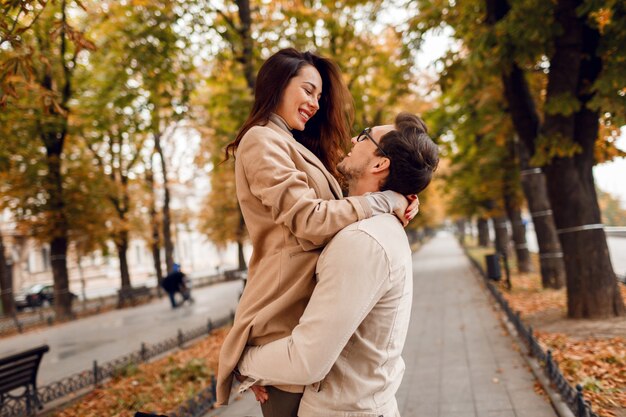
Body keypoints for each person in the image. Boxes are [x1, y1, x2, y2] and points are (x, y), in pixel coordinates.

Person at [215, 48, 419, 410]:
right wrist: (384, 201)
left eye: (319, 96)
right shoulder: (261, 140)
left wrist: (395, 195)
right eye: (308, 90)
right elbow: (310, 220)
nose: (314, 103)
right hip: (283, 315)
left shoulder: (289, 143)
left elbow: (334, 209)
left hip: (302, 314)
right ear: (278, 84)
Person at [236, 113, 439, 416]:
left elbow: (307, 361)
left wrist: (241, 362)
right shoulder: (376, 227)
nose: (355, 139)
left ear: (379, 164)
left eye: (365, 135)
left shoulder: (361, 240)